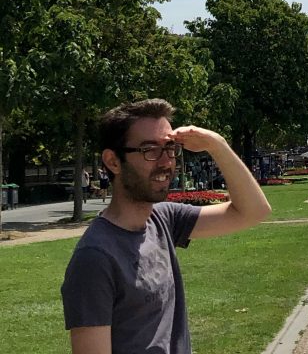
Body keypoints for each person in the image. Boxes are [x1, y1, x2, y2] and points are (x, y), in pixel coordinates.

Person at [61, 97, 271, 354]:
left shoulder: (163, 220)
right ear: (113, 161)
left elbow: (253, 211)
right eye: (149, 150)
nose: (165, 162)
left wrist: (217, 145)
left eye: (170, 148)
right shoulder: (95, 258)